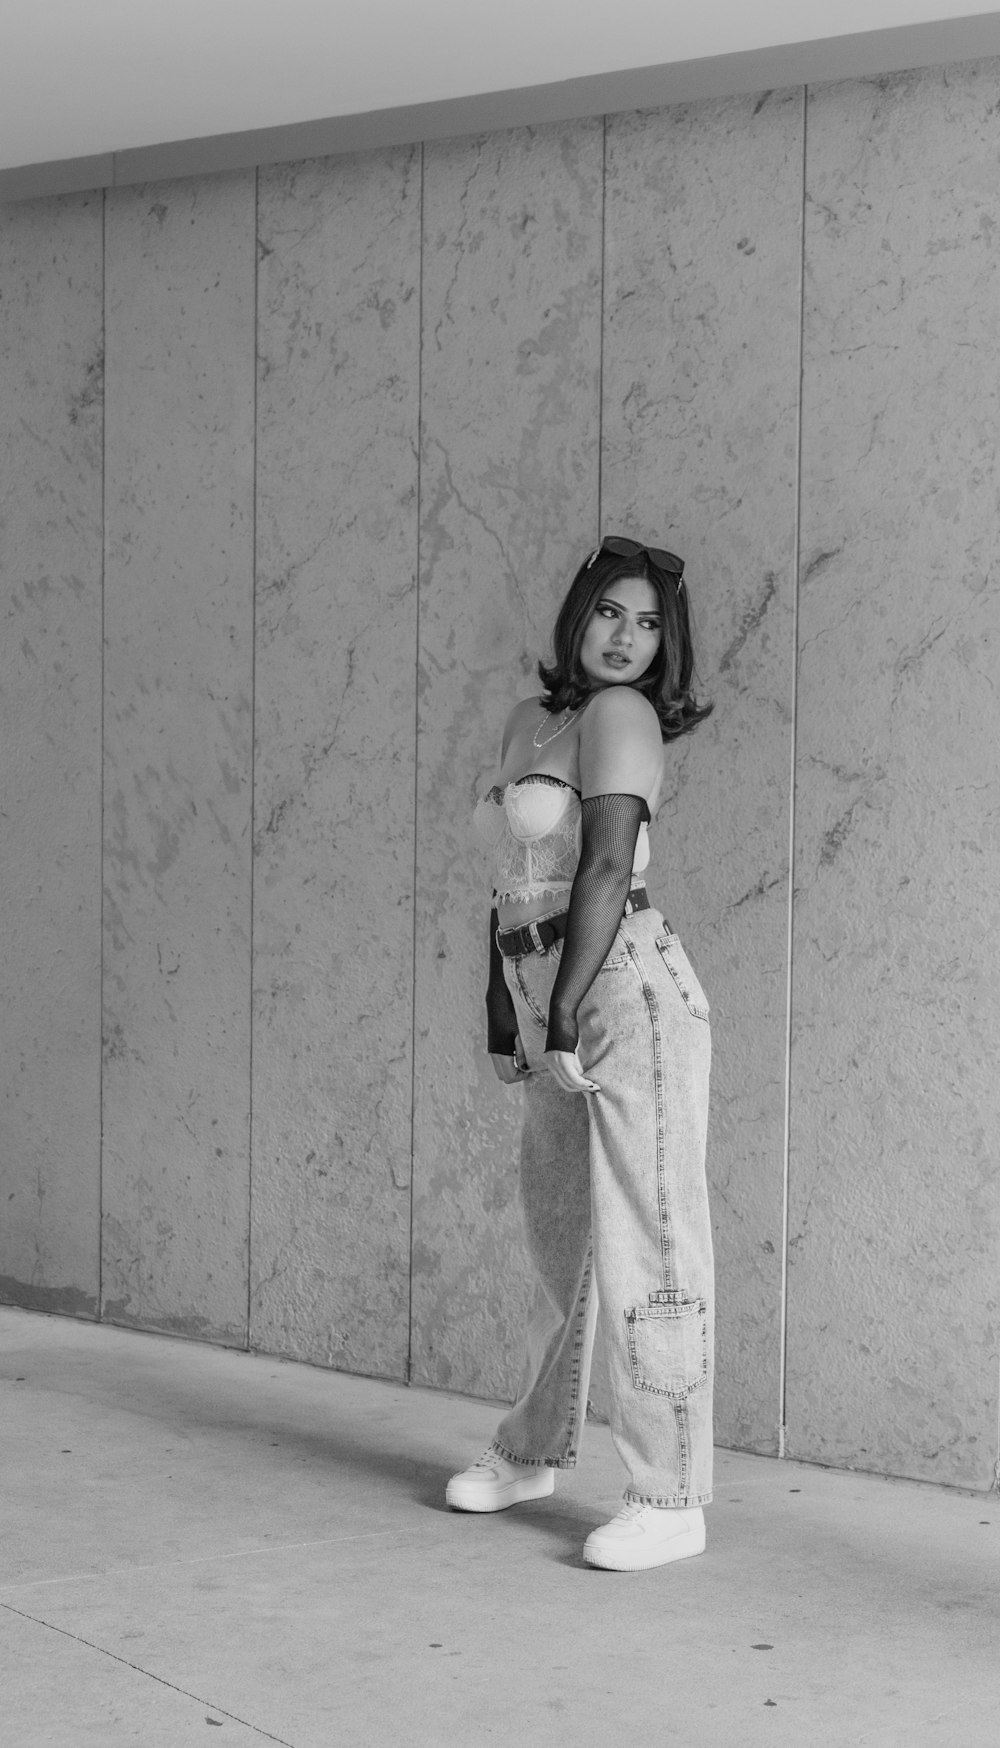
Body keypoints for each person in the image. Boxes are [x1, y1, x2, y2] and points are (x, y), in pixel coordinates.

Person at [447, 535, 715, 1572]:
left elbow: (604, 863)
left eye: (649, 624)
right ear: (579, 614)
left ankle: (669, 1491)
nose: (626, 637)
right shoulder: (534, 718)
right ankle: (532, 1446)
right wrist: (502, 1009)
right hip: (547, 985)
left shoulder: (623, 715)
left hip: (622, 989)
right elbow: (514, 882)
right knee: (564, 1237)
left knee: (650, 1234)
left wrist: (562, 1015)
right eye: (612, 611)